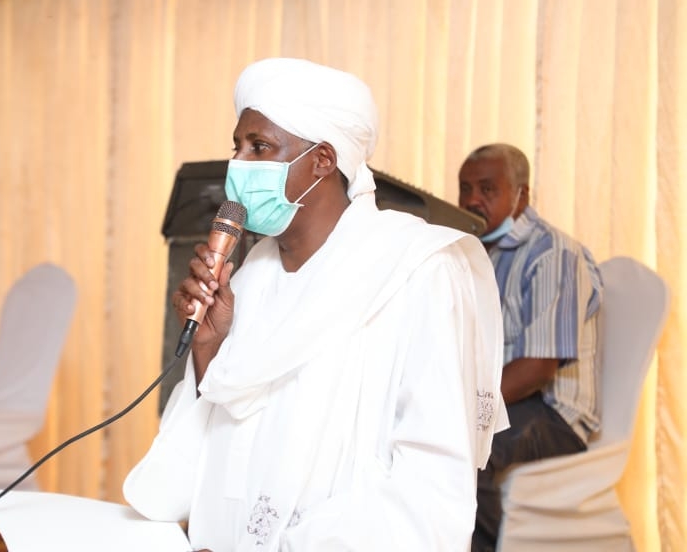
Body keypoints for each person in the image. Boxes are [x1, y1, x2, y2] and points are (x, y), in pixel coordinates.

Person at [123, 57, 506, 552]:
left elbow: (430, 484)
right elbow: (224, 446)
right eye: (237, 146)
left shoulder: (417, 270)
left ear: (323, 159)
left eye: (259, 147)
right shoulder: (253, 274)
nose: (238, 164)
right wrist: (207, 349)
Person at [457, 143, 603, 551]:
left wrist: (463, 407)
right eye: (465, 188)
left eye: (488, 189)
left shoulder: (553, 253)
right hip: (501, 402)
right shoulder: (474, 251)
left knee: (470, 448)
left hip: (553, 412)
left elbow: (537, 369)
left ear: (521, 195)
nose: (472, 199)